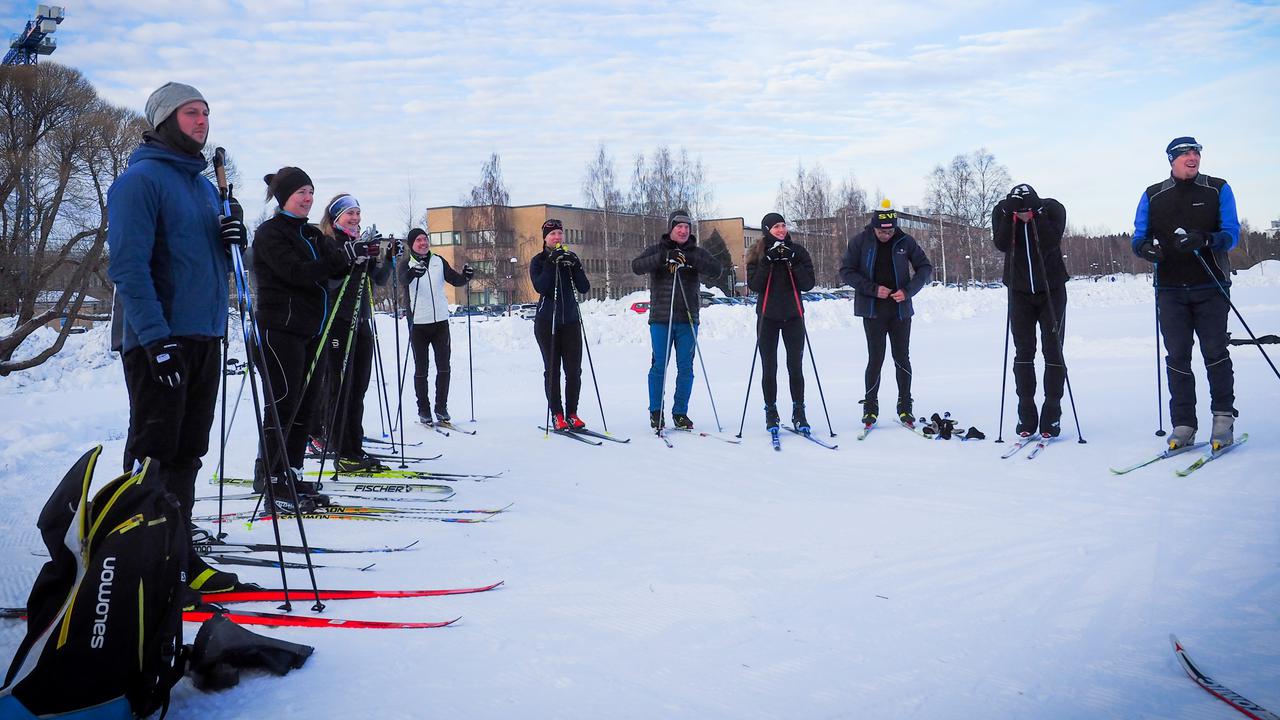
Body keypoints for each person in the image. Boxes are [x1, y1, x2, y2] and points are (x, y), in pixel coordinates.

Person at [106, 81, 245, 592]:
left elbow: (209, 259)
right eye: (192, 113)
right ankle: (140, 562)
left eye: (207, 112)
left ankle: (179, 553)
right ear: (165, 119)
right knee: (154, 453)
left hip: (204, 333)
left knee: (188, 452)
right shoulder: (140, 181)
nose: (203, 121)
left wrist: (235, 234)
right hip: (158, 338)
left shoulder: (206, 187)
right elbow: (126, 265)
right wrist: (155, 338)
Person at [249, 167, 369, 511]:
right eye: (301, 192)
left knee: (306, 405)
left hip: (311, 331)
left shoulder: (312, 235)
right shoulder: (270, 233)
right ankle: (271, 477)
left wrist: (358, 258)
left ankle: (292, 471)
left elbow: (338, 265)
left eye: (311, 192)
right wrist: (337, 262)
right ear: (284, 196)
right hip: (279, 330)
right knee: (284, 404)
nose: (308, 199)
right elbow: (295, 273)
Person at [1131, 136, 1240, 450]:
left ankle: (1222, 418)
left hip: (1211, 285)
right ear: (1171, 159)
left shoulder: (1217, 188)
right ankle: (1184, 424)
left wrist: (1205, 239)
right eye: (1185, 153)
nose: (1192, 157)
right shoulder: (1154, 194)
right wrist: (1145, 249)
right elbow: (1139, 236)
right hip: (1169, 289)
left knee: (1215, 353)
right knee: (1177, 356)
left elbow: (1231, 234)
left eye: (1196, 152)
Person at [317, 194, 396, 472]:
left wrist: (386, 257)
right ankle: (341, 448)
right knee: (341, 387)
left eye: (358, 214)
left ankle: (353, 446)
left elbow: (379, 279)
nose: (355, 219)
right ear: (336, 217)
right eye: (350, 214)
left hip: (361, 320)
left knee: (359, 387)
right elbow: (327, 280)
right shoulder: (328, 242)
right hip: (338, 321)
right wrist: (351, 258)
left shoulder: (359, 241)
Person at [839, 200, 933, 427]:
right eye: (882, 231)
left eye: (890, 230)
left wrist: (908, 291)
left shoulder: (905, 241)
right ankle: (870, 408)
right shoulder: (860, 242)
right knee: (876, 359)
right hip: (872, 311)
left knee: (902, 358)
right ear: (874, 227)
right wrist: (873, 290)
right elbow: (846, 271)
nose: (886, 235)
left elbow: (925, 268)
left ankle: (905, 407)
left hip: (900, 311)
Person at [991, 183, 1070, 438]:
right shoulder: (1003, 212)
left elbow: (1050, 241)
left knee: (1053, 349)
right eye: (1020, 210)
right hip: (1019, 291)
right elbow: (1002, 244)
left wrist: (1036, 214)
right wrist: (1009, 215)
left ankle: (1052, 412)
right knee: (1023, 351)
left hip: (1051, 290)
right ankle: (1026, 413)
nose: (1023, 214)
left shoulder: (1052, 209)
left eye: (1027, 210)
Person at [631, 209, 722, 430]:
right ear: (671, 229)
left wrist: (689, 259)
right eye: (678, 227)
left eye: (686, 227)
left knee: (686, 367)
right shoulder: (658, 250)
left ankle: (680, 412)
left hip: (687, 318)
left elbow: (716, 270)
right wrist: (664, 258)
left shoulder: (696, 252)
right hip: (661, 318)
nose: (682, 230)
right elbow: (636, 266)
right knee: (659, 365)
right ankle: (656, 411)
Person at [745, 212, 816, 431]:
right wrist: (768, 261)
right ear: (767, 229)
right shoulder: (757, 253)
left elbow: (808, 284)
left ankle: (799, 410)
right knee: (769, 367)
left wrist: (792, 262)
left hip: (793, 315)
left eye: (783, 225)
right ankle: (771, 411)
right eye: (776, 226)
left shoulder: (798, 251)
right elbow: (755, 285)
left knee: (795, 366)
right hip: (767, 317)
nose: (781, 230)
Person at [397, 227, 473, 426]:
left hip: (440, 322)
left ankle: (441, 408)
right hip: (419, 324)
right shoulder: (406, 264)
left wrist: (466, 276)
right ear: (411, 245)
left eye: (425, 239)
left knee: (444, 367)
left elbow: (454, 279)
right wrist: (414, 272)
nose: (423, 243)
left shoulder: (438, 261)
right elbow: (402, 279)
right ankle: (424, 409)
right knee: (421, 369)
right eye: (418, 241)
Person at [530, 219, 591, 430]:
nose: (557, 237)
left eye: (559, 233)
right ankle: (557, 414)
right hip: (548, 322)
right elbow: (541, 287)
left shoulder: (569, 258)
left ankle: (572, 412)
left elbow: (583, 287)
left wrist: (574, 265)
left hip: (571, 321)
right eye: (552, 234)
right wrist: (551, 263)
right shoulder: (538, 260)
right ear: (545, 238)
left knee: (574, 371)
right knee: (553, 370)